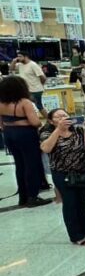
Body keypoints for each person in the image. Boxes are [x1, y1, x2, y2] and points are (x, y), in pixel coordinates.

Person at [39, 109, 85, 245]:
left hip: (81, 171)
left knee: (82, 201)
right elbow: (45, 148)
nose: (62, 118)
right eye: (58, 117)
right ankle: (75, 235)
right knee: (70, 203)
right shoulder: (47, 133)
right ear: (51, 121)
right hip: (62, 173)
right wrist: (58, 130)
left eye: (64, 115)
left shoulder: (77, 129)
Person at [0, 75, 50, 208]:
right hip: (25, 134)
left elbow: (1, 124)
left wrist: (12, 124)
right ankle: (32, 196)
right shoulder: (24, 102)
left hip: (8, 134)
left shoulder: (1, 102)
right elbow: (35, 122)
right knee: (31, 164)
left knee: (20, 164)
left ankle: (23, 196)